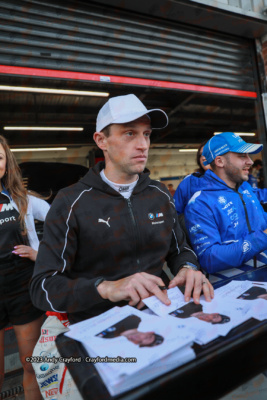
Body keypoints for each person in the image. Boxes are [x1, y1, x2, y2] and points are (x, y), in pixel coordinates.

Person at [30, 94, 213, 326]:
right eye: (130, 133)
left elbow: (180, 249)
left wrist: (187, 267)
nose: (143, 144)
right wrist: (105, 288)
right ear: (101, 140)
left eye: (146, 134)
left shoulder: (159, 194)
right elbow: (42, 287)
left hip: (164, 314)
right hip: (99, 327)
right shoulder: (70, 202)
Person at [0, 135, 49, 400]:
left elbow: (61, 221)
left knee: (31, 363)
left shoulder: (22, 199)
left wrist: (38, 253)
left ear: (7, 163)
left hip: (22, 284)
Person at [184, 131, 267, 274]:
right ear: (220, 161)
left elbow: (259, 220)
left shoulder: (244, 187)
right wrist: (263, 237)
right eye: (242, 156)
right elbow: (209, 259)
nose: (250, 161)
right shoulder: (199, 203)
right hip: (232, 288)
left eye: (248, 155)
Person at [173, 141, 211, 214]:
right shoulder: (189, 182)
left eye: (207, 153)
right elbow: (174, 213)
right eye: (200, 155)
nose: (203, 158)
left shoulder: (232, 180)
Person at [96, 315, 164, 347]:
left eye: (140, 342)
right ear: (150, 332)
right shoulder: (134, 319)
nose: (138, 339)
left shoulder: (107, 336)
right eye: (146, 337)